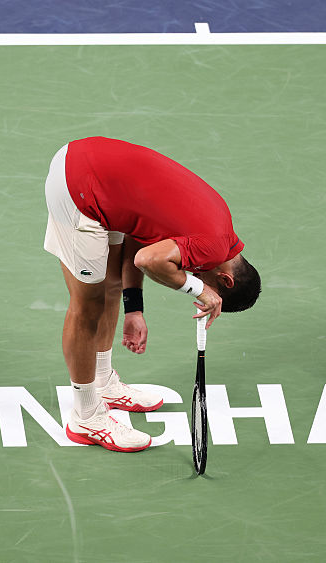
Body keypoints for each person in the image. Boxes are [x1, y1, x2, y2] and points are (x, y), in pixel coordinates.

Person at [43, 136, 261, 452]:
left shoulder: (222, 229)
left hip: (98, 170)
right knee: (88, 304)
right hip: (80, 188)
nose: (196, 282)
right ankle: (85, 417)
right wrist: (197, 289)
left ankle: (103, 381)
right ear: (225, 281)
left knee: (112, 284)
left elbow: (141, 236)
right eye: (209, 290)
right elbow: (149, 260)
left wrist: (134, 307)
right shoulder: (209, 246)